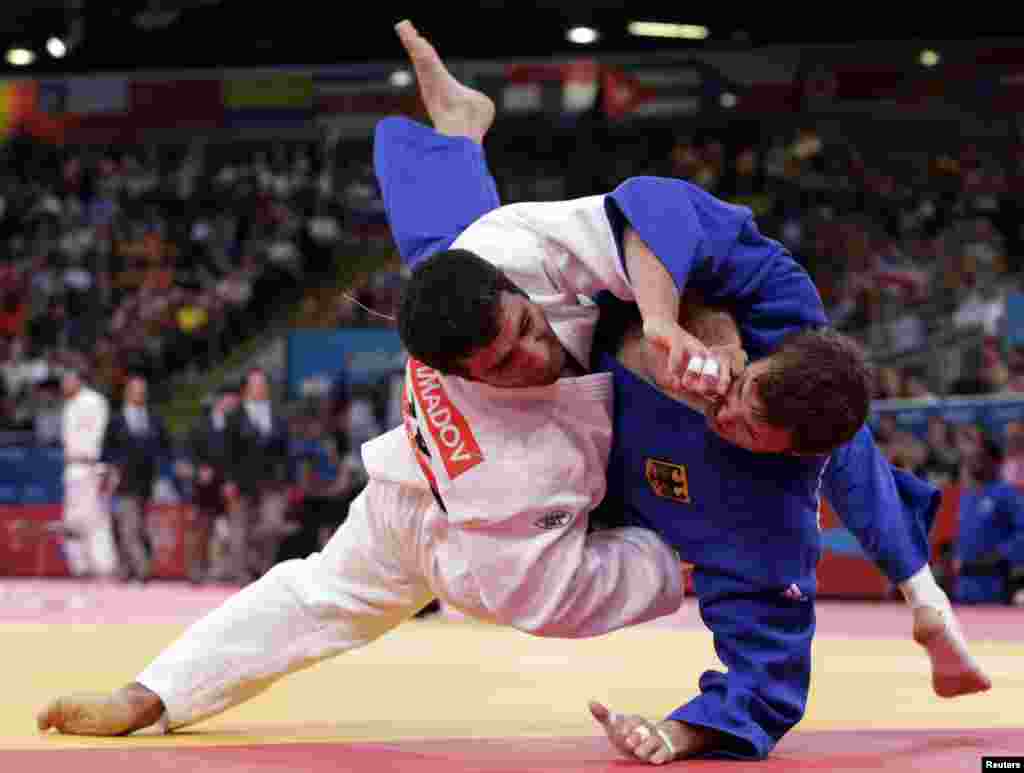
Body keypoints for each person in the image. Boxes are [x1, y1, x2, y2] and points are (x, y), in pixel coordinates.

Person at [36, 22, 986, 761]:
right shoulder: (503, 451)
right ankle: (151, 696)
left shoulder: (523, 268)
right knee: (319, 593)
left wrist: (665, 326)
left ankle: (459, 133)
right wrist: (683, 533)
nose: (533, 351)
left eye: (529, 328)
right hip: (449, 514)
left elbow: (644, 213)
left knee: (456, 248)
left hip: (518, 515)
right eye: (508, 357)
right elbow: (549, 586)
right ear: (465, 373)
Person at [222, 368, 294, 582]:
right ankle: (242, 575)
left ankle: (264, 571)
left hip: (272, 481)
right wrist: (228, 480)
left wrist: (289, 481)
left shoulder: (278, 415)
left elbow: (286, 451)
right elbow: (227, 451)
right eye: (255, 384)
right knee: (239, 529)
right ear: (246, 389)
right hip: (241, 480)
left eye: (263, 384)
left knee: (272, 525)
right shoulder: (234, 416)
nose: (260, 388)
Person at [102, 373, 173, 582]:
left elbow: (165, 449)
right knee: (129, 526)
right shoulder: (116, 421)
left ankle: (125, 569)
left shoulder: (154, 419)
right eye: (135, 390)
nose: (139, 394)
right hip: (123, 481)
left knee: (137, 527)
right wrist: (109, 472)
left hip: (148, 482)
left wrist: (163, 475)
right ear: (127, 393)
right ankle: (142, 569)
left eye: (142, 391)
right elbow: (106, 451)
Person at [952, 432, 1024, 604]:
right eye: (971, 457)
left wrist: (998, 556)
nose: (973, 462)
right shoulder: (967, 497)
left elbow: (1022, 534)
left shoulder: (1007, 494)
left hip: (994, 586)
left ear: (995, 462)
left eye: (980, 457)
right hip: (964, 588)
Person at [60, 367, 116, 579]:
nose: (64, 385)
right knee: (72, 520)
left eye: (68, 380)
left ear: (78, 380)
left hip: (90, 467)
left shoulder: (94, 402)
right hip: (73, 468)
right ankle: (80, 567)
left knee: (95, 519)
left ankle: (104, 566)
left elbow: (102, 435)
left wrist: (101, 464)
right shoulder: (69, 405)